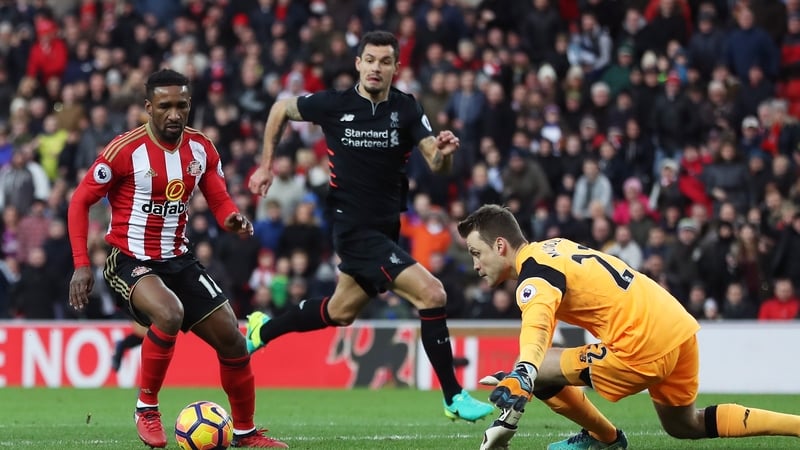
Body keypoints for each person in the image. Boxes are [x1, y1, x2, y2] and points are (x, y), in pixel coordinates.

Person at [246, 30, 493, 422]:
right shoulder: (334, 104)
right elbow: (280, 110)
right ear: (358, 63)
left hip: (385, 230)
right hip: (353, 231)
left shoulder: (407, 109)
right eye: (370, 60)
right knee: (433, 294)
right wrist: (265, 165)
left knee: (340, 312)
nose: (376, 68)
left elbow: (435, 161)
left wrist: (445, 155)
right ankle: (453, 396)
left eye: (385, 61)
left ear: (396, 67)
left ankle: (262, 330)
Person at [457, 204, 800, 450]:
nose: (475, 264)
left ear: (500, 245)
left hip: (642, 344)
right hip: (675, 325)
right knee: (684, 425)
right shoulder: (554, 246)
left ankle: (604, 439)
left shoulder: (533, 277)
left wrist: (525, 370)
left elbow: (537, 325)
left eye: (476, 252)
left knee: (540, 368)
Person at [67, 69, 287, 449]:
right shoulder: (124, 150)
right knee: (169, 313)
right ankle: (146, 407)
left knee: (234, 342)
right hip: (128, 259)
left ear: (190, 106)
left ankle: (246, 434)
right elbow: (79, 201)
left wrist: (231, 218)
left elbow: (218, 198)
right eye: (165, 106)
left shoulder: (201, 148)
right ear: (148, 108)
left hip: (179, 260)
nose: (174, 113)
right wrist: (81, 264)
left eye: (181, 105)